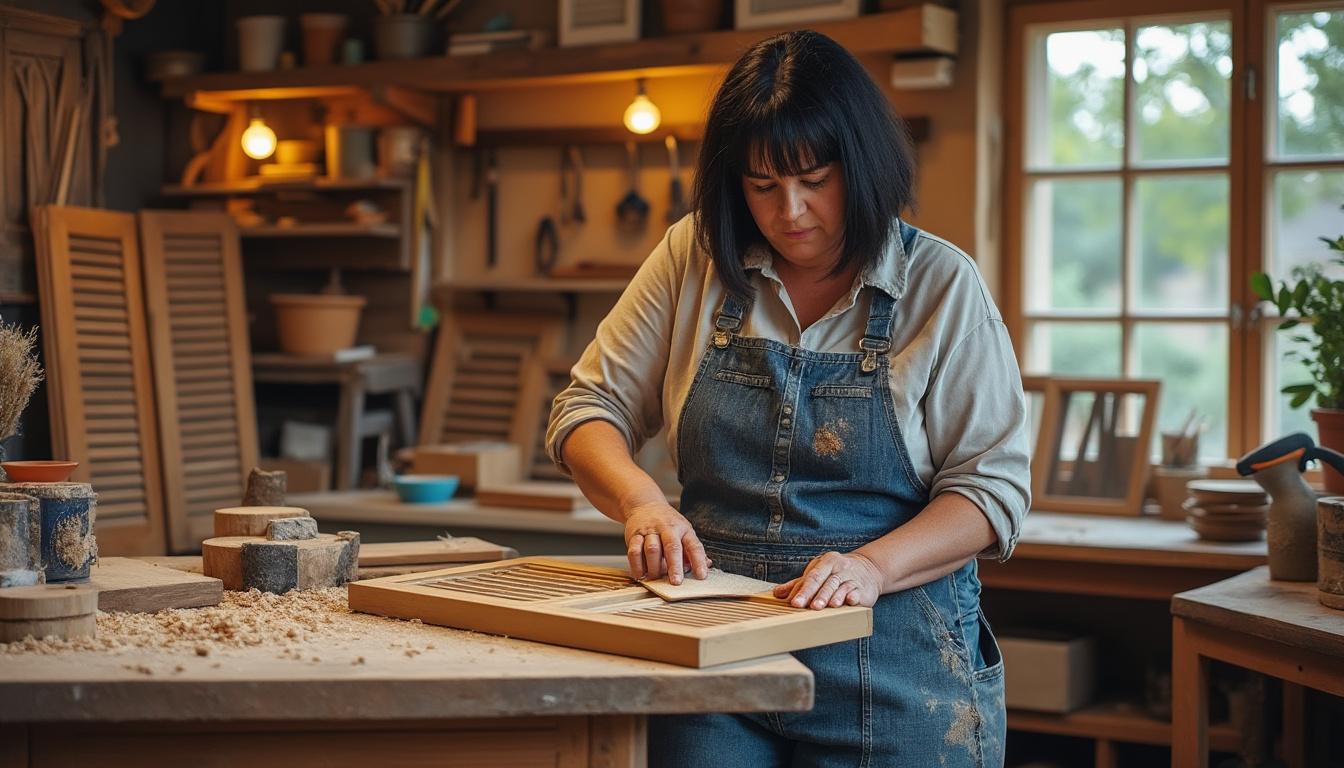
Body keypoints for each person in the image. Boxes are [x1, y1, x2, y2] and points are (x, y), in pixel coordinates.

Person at [546, 29, 1029, 767]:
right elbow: (587, 408)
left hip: (894, 662)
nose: (790, 212)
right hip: (714, 651)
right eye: (762, 185)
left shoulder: (941, 285)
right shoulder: (696, 255)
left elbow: (992, 490)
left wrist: (872, 567)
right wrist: (641, 500)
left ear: (860, 164)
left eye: (814, 179)